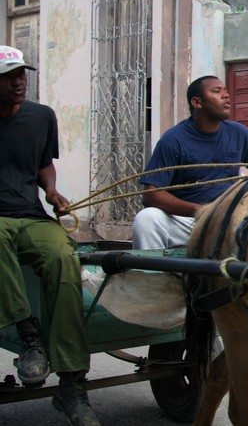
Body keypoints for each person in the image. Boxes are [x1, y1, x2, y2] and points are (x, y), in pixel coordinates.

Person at [131, 75, 248, 392]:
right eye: (217, 91)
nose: (227, 95)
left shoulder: (238, 133)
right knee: (147, 218)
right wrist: (203, 214)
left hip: (228, 223)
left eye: (226, 90)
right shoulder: (173, 140)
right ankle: (155, 299)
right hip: (190, 219)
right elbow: (152, 194)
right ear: (197, 102)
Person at [0, 46, 101, 425]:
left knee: (64, 257)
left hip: (32, 214)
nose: (19, 80)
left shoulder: (42, 117)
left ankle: (72, 383)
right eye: (10, 75)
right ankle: (30, 338)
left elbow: (45, 166)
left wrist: (53, 192)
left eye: (22, 73)